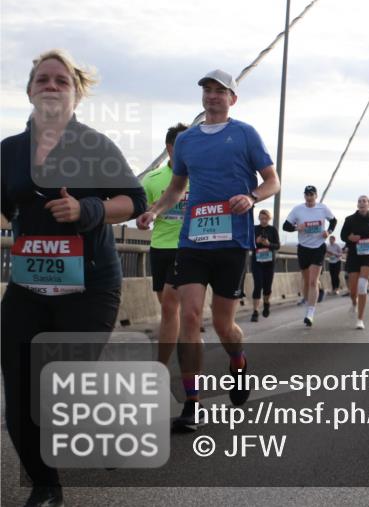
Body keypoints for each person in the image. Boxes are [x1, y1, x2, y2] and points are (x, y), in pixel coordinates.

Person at [2, 49, 147, 507]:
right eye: (42, 79)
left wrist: (88, 209)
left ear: (75, 95)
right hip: (28, 286)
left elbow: (134, 200)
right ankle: (46, 486)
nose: (50, 85)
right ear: (29, 90)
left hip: (90, 286)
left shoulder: (94, 146)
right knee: (19, 389)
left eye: (61, 80)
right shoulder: (8, 151)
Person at [138, 69, 279, 432]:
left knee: (223, 325)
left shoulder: (245, 134)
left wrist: (251, 197)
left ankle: (238, 360)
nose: (213, 96)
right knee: (189, 318)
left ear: (233, 98)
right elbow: (175, 188)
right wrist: (154, 211)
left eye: (221, 91)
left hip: (231, 242)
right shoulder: (186, 141)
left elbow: (272, 181)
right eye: (208, 90)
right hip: (193, 241)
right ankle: (192, 403)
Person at [141, 123, 189, 363]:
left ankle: (162, 365)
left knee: (171, 306)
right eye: (182, 144)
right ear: (170, 148)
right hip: (160, 247)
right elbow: (139, 210)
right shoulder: (151, 180)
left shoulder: (199, 176)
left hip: (188, 249)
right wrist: (144, 216)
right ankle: (186, 339)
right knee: (168, 307)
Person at [283, 185, 336, 327]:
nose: (309, 197)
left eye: (312, 194)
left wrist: (328, 231)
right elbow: (285, 226)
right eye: (307, 194)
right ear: (304, 195)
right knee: (307, 281)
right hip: (303, 248)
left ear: (316, 196)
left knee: (313, 281)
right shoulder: (298, 209)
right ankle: (310, 301)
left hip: (318, 247)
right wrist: (296, 227)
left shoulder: (322, 208)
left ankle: (310, 313)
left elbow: (334, 221)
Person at [340, 195, 369, 329]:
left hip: (367, 255)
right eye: (359, 201)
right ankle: (354, 302)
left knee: (362, 285)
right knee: (353, 290)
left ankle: (360, 319)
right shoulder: (350, 219)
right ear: (357, 205)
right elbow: (343, 235)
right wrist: (350, 238)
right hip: (354, 255)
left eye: (364, 201)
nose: (362, 203)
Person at [250, 209, 280, 322]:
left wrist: (268, 244)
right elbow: (248, 245)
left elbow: (277, 246)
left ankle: (266, 303)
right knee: (258, 285)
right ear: (259, 218)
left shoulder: (272, 230)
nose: (263, 220)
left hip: (269, 262)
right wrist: (256, 242)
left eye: (265, 218)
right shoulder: (254, 229)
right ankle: (255, 311)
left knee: (267, 287)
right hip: (257, 262)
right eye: (261, 218)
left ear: (269, 218)